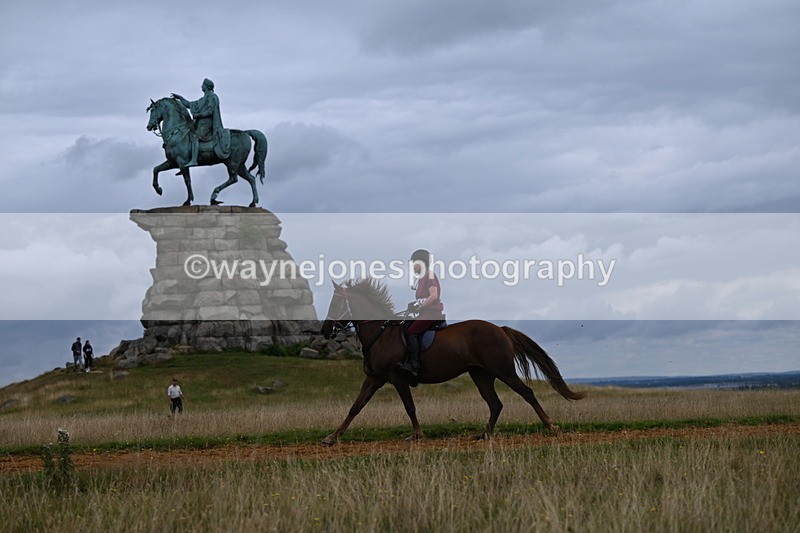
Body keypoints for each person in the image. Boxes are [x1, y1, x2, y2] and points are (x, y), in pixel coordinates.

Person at [397, 249, 445, 379]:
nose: (412, 266)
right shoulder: (422, 278)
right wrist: (414, 305)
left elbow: (433, 296)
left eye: (414, 263)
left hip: (432, 313)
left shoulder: (429, 275)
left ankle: (414, 365)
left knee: (411, 331)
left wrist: (419, 306)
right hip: (425, 312)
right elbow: (424, 298)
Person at [171, 78, 231, 168]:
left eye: (203, 85)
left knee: (195, 137)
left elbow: (210, 111)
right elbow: (189, 104)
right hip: (200, 124)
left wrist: (198, 115)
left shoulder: (212, 97)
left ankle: (194, 160)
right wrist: (180, 98)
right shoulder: (203, 99)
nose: (201, 86)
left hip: (208, 125)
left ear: (206, 87)